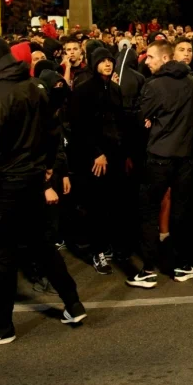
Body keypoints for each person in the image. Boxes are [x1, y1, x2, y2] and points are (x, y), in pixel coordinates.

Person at [0, 37, 85, 349]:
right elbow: (52, 129)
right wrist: (45, 166)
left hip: (4, 184)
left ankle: (2, 327)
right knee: (42, 245)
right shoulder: (33, 87)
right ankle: (73, 304)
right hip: (31, 180)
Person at [127, 40, 193, 289]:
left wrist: (150, 119)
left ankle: (148, 269)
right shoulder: (192, 84)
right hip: (187, 157)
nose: (146, 61)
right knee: (181, 211)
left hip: (160, 157)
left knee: (148, 211)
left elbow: (139, 118)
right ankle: (181, 265)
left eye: (150, 57)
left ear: (165, 58)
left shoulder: (155, 85)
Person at [69, 47, 127, 275]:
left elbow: (119, 121)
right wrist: (96, 152)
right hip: (93, 156)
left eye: (110, 61)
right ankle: (97, 251)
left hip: (114, 153)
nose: (107, 64)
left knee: (112, 203)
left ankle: (108, 245)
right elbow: (79, 126)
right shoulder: (84, 90)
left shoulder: (114, 89)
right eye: (102, 61)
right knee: (95, 205)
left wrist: (125, 154)